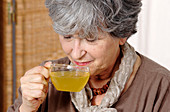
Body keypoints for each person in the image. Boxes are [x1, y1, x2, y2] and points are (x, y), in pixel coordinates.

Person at [8, 0, 170, 112]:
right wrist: (28, 108)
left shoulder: (159, 86)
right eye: (68, 36)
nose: (76, 53)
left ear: (123, 34)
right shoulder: (46, 83)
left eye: (91, 39)